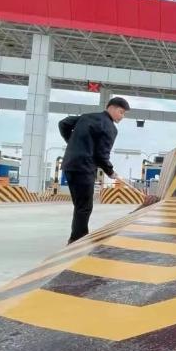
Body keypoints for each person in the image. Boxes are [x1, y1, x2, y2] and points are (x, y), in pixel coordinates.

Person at [58, 97, 129, 244]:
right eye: (121, 112)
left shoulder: (86, 117)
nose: (122, 116)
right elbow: (102, 155)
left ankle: (77, 236)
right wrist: (111, 172)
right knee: (84, 207)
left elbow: (63, 123)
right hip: (84, 167)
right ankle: (77, 240)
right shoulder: (110, 128)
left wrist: (72, 142)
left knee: (80, 205)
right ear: (111, 108)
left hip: (69, 165)